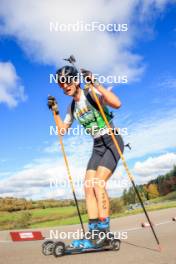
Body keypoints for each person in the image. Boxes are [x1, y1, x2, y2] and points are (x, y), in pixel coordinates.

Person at [48, 65, 124, 249]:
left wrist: (96, 83)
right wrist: (55, 112)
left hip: (111, 140)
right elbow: (62, 130)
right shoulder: (72, 106)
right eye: (60, 84)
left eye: (66, 82)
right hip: (97, 146)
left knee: (98, 184)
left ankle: (104, 233)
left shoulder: (90, 94)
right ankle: (93, 233)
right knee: (88, 187)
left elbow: (116, 103)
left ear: (76, 80)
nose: (64, 86)